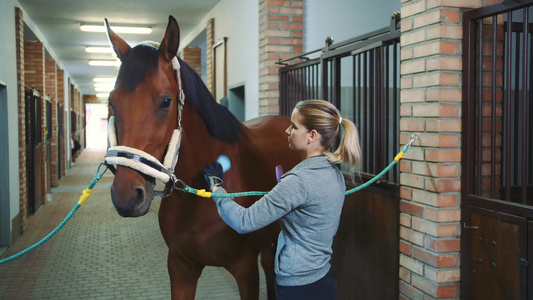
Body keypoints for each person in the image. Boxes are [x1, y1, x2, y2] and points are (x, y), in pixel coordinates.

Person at [203, 99, 361, 300]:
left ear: (312, 135)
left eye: (294, 127)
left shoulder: (297, 182)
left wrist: (217, 187)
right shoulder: (334, 173)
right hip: (324, 280)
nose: (287, 131)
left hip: (297, 288)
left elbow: (244, 221)